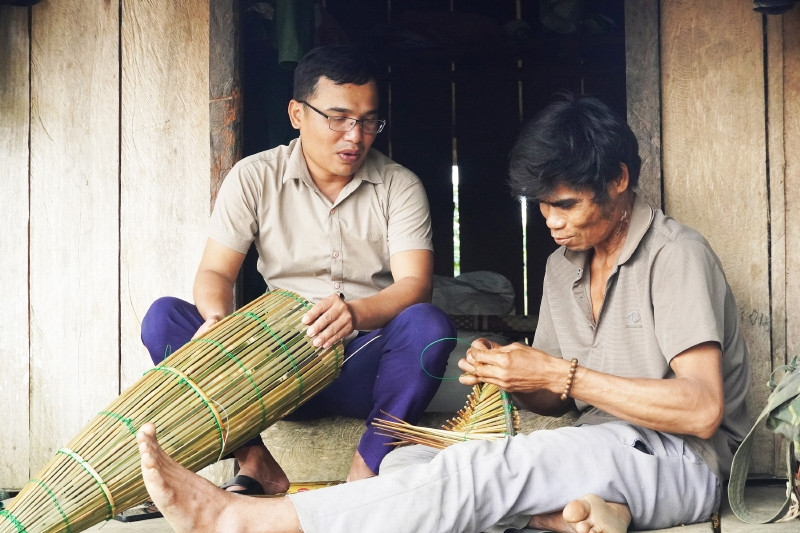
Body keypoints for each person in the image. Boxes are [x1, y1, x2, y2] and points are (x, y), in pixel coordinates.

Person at [135, 93, 751, 533]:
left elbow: (701, 411)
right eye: (541, 208)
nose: (551, 223)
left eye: (565, 205)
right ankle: (579, 514)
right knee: (409, 462)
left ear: (617, 180)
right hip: (594, 447)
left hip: (680, 461)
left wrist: (560, 374)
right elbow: (554, 402)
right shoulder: (563, 266)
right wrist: (514, 373)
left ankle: (246, 519)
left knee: (498, 468)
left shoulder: (676, 254)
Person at [139, 44, 456, 494]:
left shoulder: (398, 185)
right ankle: (255, 461)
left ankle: (365, 471)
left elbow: (415, 285)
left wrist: (355, 314)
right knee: (164, 319)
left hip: (359, 364)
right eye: (338, 118)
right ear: (296, 114)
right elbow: (215, 273)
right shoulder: (254, 177)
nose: (355, 136)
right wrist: (216, 321)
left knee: (430, 327)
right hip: (269, 370)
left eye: (368, 121)